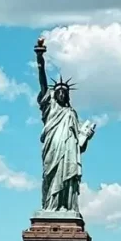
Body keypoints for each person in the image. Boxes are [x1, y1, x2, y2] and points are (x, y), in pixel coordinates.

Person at [35, 38, 95, 213]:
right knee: (51, 176)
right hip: (53, 147)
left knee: (68, 177)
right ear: (54, 95)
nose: (61, 94)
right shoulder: (50, 107)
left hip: (69, 149)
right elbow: (42, 83)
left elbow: (79, 143)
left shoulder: (71, 113)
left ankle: (66, 207)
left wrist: (86, 136)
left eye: (65, 92)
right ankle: (50, 207)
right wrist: (40, 59)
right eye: (58, 91)